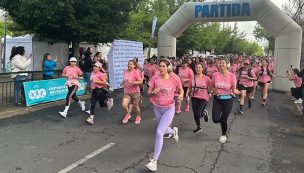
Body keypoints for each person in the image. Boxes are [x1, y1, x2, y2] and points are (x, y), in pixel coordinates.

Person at [146, 59, 183, 172]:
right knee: (164, 129)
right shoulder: (155, 78)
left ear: (168, 67)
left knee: (159, 132)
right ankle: (174, 132)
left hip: (169, 108)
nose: (161, 68)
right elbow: (148, 92)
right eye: (160, 66)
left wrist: (181, 96)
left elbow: (181, 90)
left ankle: (154, 161)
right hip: (157, 108)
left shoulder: (175, 78)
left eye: (163, 66)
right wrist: (153, 92)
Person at [211, 58, 239, 143]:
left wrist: (236, 91)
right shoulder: (215, 75)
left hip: (228, 100)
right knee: (215, 119)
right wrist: (215, 91)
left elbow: (233, 88)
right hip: (217, 99)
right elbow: (211, 86)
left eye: (223, 63)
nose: (221, 64)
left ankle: (223, 135)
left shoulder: (232, 76)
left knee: (224, 119)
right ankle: (222, 122)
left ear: (227, 64)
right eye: (220, 63)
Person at [188, 63, 211, 133]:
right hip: (194, 96)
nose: (198, 69)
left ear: (202, 68)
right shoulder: (192, 78)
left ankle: (204, 113)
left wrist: (210, 93)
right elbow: (190, 87)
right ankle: (198, 127)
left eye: (199, 67)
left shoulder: (207, 78)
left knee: (198, 114)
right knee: (195, 114)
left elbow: (209, 88)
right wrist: (187, 95)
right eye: (197, 67)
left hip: (203, 97)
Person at [121, 60, 143, 124]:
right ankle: (128, 114)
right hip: (127, 91)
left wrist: (133, 82)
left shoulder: (136, 72)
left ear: (134, 65)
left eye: (130, 64)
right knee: (124, 105)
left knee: (136, 106)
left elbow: (140, 82)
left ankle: (138, 116)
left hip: (135, 92)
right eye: (128, 64)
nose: (129, 65)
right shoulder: (125, 71)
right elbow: (124, 79)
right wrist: (122, 83)